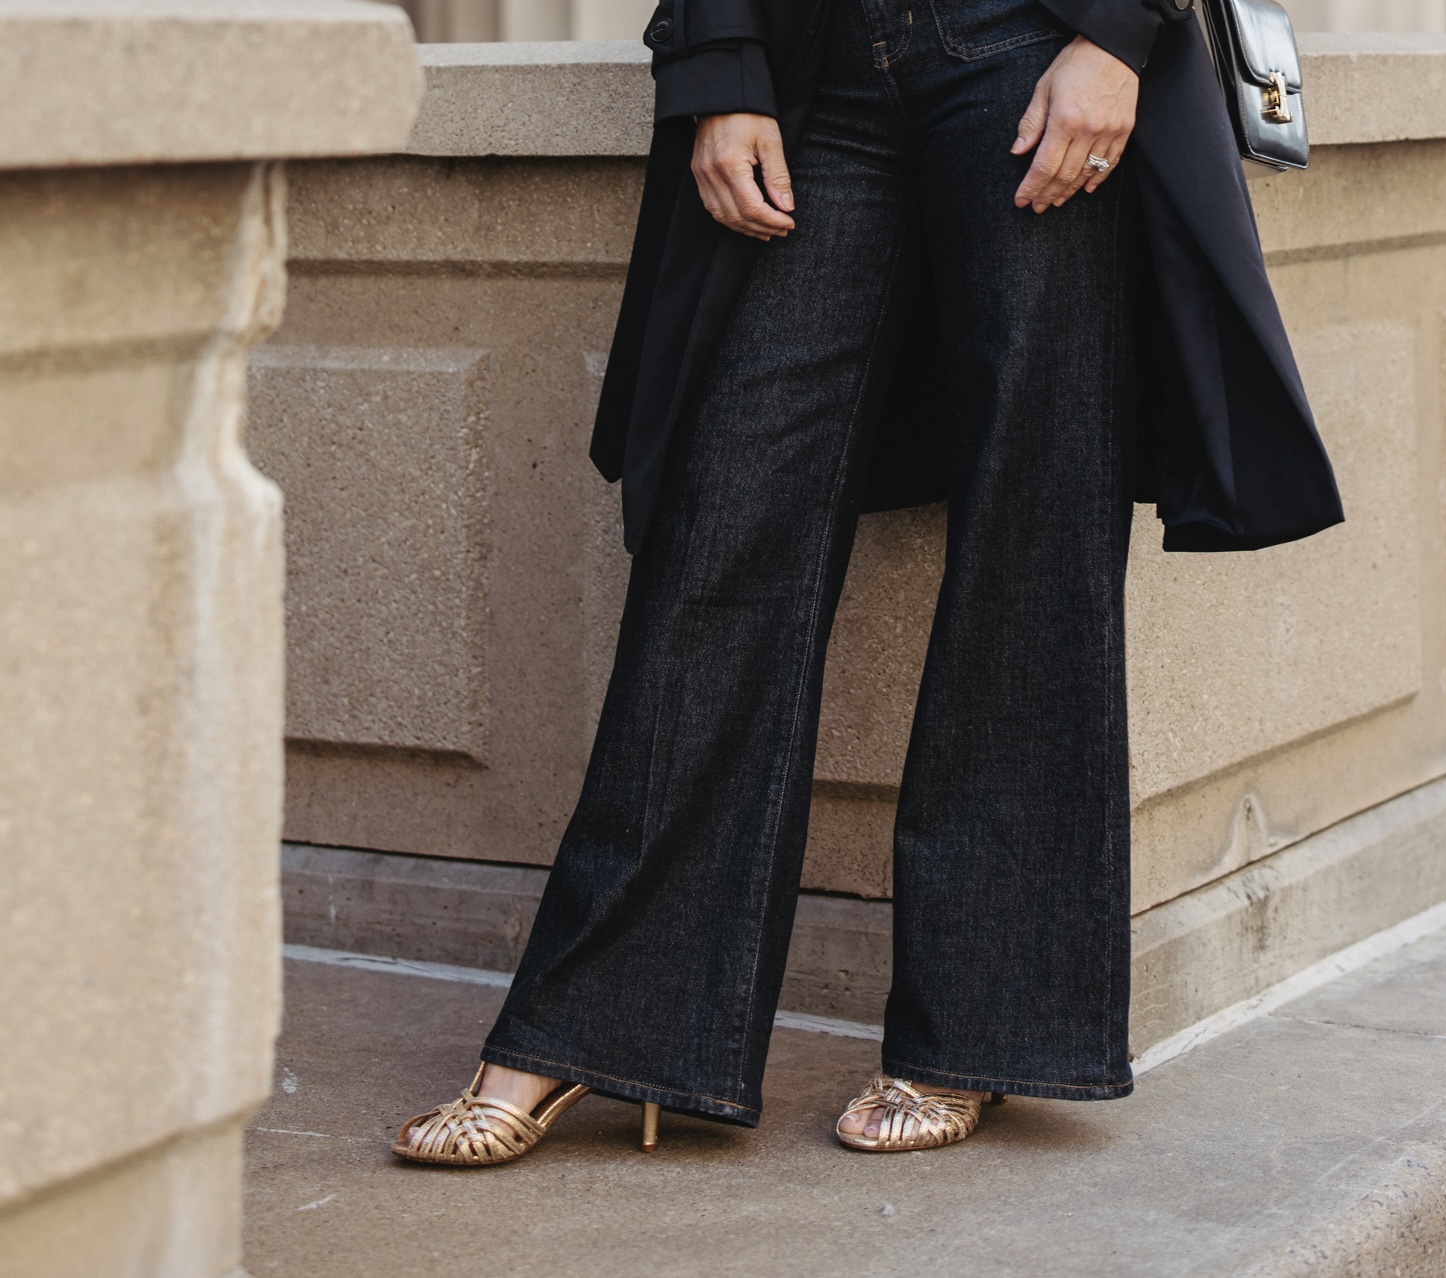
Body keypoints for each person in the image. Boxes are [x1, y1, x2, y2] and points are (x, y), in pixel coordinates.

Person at [392, 0, 1343, 1164]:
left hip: (1030, 47)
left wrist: (1113, 36)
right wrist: (719, 66)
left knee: (1028, 532)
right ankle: (599, 1025)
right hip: (812, 65)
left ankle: (979, 1033)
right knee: (723, 522)